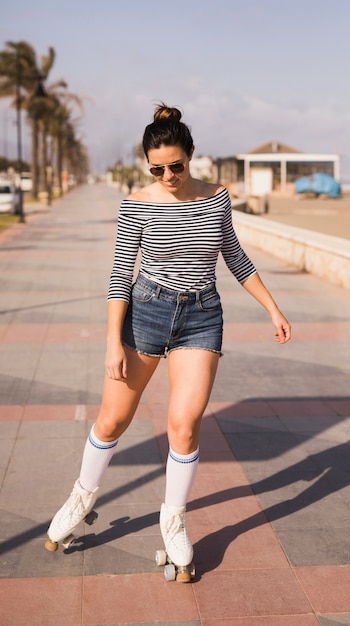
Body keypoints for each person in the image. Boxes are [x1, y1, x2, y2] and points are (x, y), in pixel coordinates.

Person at [45, 103, 291, 580]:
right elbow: (120, 274)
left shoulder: (216, 198)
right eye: (157, 168)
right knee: (113, 418)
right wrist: (112, 341)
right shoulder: (137, 203)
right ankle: (81, 498)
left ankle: (174, 520)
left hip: (201, 317)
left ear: (192, 154)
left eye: (175, 166)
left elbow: (234, 257)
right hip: (147, 313)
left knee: (184, 424)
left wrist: (273, 308)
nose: (168, 175)